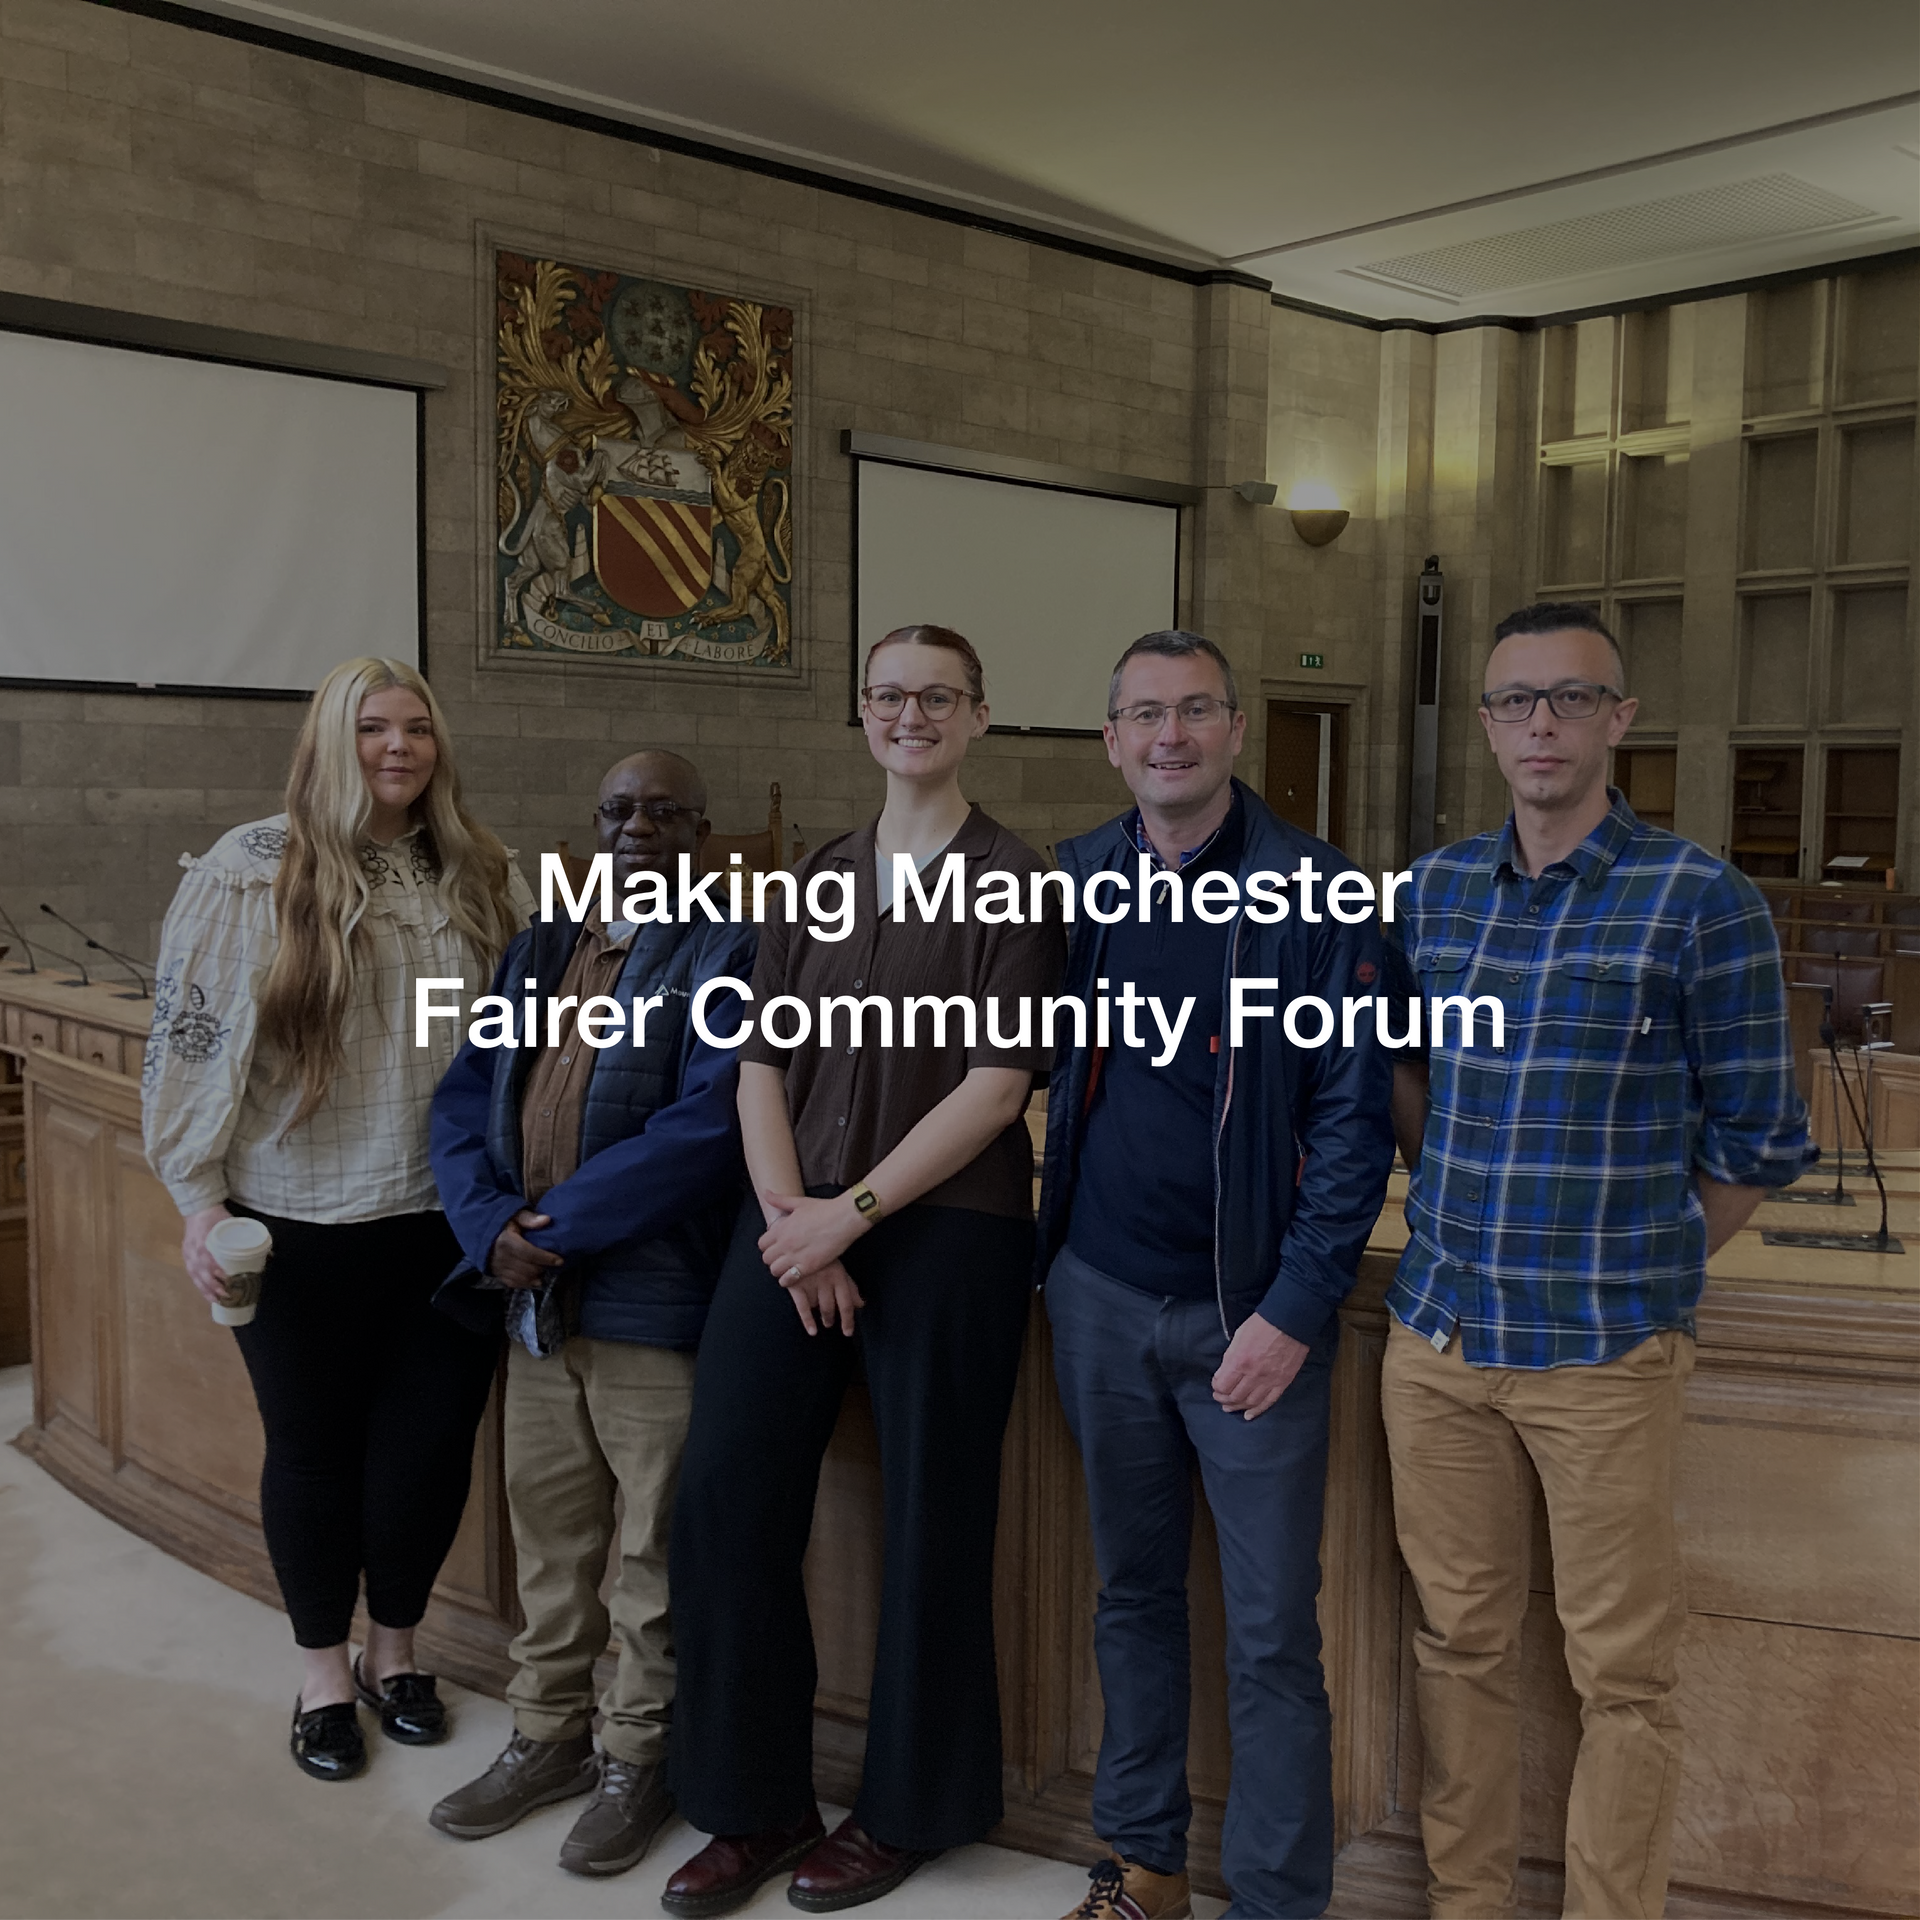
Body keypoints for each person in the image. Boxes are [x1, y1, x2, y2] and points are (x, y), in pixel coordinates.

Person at [1384, 604, 1814, 1920]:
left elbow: (1759, 1136)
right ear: (1486, 726)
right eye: (1517, 701)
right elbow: (1404, 1071)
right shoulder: (1436, 890)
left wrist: (1648, 1261)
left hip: (1605, 1356)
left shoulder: (1701, 900)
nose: (1543, 724)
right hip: (1439, 1340)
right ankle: (1467, 1907)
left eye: (1572, 698)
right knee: (1458, 1646)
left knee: (1622, 1678)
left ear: (1619, 720)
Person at [663, 624, 1065, 1915]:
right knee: (723, 1499)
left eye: (938, 696)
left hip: (949, 1233)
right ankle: (755, 1803)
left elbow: (997, 1088)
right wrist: (797, 1223)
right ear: (863, 711)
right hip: (793, 1225)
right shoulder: (815, 878)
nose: (911, 716)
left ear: (979, 714)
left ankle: (908, 1810)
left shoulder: (1017, 883)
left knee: (933, 1522)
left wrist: (854, 1216)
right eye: (890, 695)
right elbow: (760, 1068)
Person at [1035, 630, 1398, 1920]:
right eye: (1146, 715)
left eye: (1196, 712)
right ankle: (1145, 1867)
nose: (1171, 736)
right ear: (1112, 740)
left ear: (1237, 730)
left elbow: (1353, 1124)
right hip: (1099, 1300)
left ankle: (1277, 1900)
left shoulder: (1318, 891)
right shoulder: (1077, 880)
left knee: (1270, 1633)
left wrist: (1294, 1310)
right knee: (1132, 1599)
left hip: (1254, 1321)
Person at [142, 655, 533, 1782]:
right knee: (313, 1452)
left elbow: (525, 1033)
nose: (398, 747)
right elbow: (193, 1039)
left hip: (448, 1220)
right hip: (298, 1218)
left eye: (417, 727)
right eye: (372, 727)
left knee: (426, 1454)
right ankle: (322, 1671)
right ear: (327, 740)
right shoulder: (251, 868)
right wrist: (196, 1197)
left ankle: (393, 1653)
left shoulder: (479, 867)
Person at [423, 750, 755, 1877]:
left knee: (652, 1551)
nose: (637, 829)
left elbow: (707, 1128)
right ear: (594, 824)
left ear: (702, 831)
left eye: (665, 811)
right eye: (617, 810)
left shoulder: (730, 953)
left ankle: (636, 1758)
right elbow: (464, 1099)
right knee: (553, 1540)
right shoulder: (542, 946)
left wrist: (548, 1231)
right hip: (532, 1303)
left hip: (648, 1304)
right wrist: (488, 1229)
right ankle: (546, 1735)